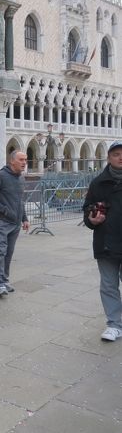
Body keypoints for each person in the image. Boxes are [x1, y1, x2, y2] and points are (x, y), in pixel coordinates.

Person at [82, 141, 122, 342]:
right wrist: (91, 218)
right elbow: (87, 208)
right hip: (106, 241)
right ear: (109, 158)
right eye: (116, 154)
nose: (121, 157)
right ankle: (114, 324)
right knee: (108, 285)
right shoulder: (98, 182)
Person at [0, 150, 30, 297]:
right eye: (21, 160)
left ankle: (4, 280)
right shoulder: (0, 177)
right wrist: (4, 210)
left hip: (15, 224)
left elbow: (20, 201)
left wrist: (25, 218)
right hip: (2, 222)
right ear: (12, 161)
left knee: (8, 254)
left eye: (26, 160)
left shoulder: (21, 179)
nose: (24, 163)